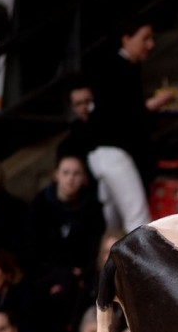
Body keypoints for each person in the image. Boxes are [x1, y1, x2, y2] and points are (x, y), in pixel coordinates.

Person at [84, 19, 174, 184]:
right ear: (126, 39)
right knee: (136, 211)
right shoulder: (113, 68)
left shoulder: (132, 67)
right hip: (114, 151)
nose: (150, 44)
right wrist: (153, 104)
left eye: (151, 38)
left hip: (119, 151)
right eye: (145, 38)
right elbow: (119, 112)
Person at [26, 154, 107, 330]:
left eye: (76, 173)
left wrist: (82, 271)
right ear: (56, 175)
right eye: (66, 173)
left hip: (82, 274)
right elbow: (32, 248)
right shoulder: (40, 205)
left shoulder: (93, 207)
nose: (71, 178)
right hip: (46, 272)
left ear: (84, 177)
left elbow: (95, 247)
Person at [59, 80, 152, 233]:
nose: (85, 107)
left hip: (119, 164)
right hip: (95, 188)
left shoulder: (111, 119)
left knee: (136, 220)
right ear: (72, 107)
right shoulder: (72, 137)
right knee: (111, 226)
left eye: (88, 101)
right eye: (78, 103)